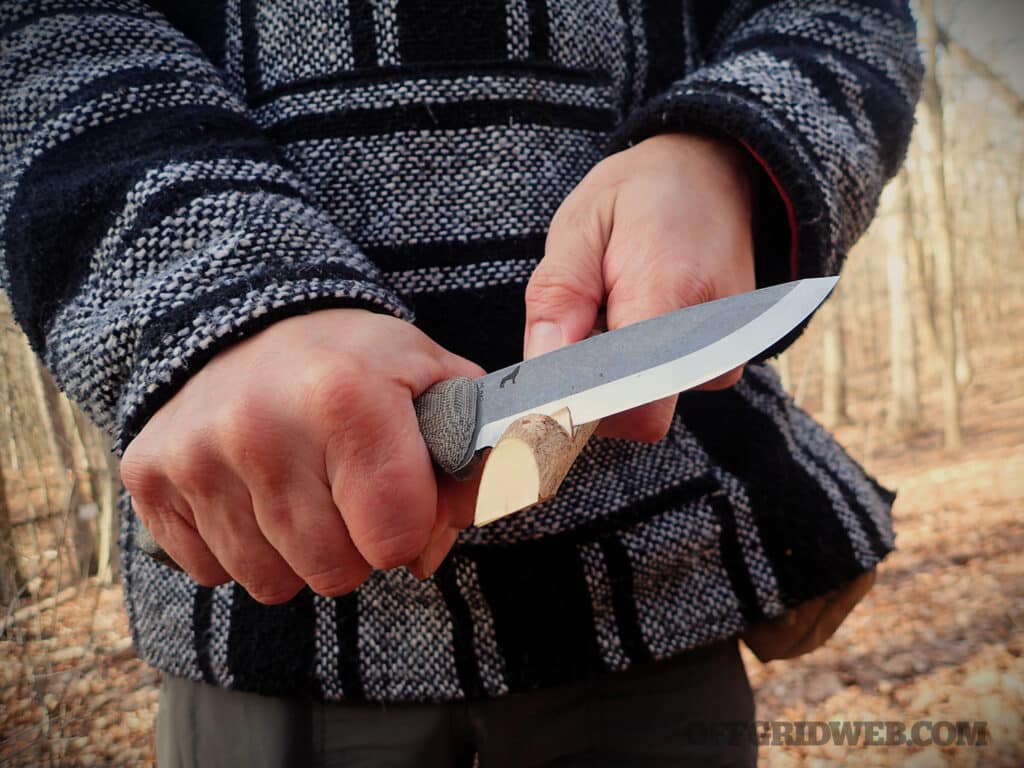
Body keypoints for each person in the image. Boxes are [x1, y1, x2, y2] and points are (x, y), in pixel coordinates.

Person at [0, 1, 922, 765]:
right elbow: (42, 29)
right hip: (265, 628)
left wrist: (723, 149)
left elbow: (841, 11)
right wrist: (219, 289)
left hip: (656, 599)